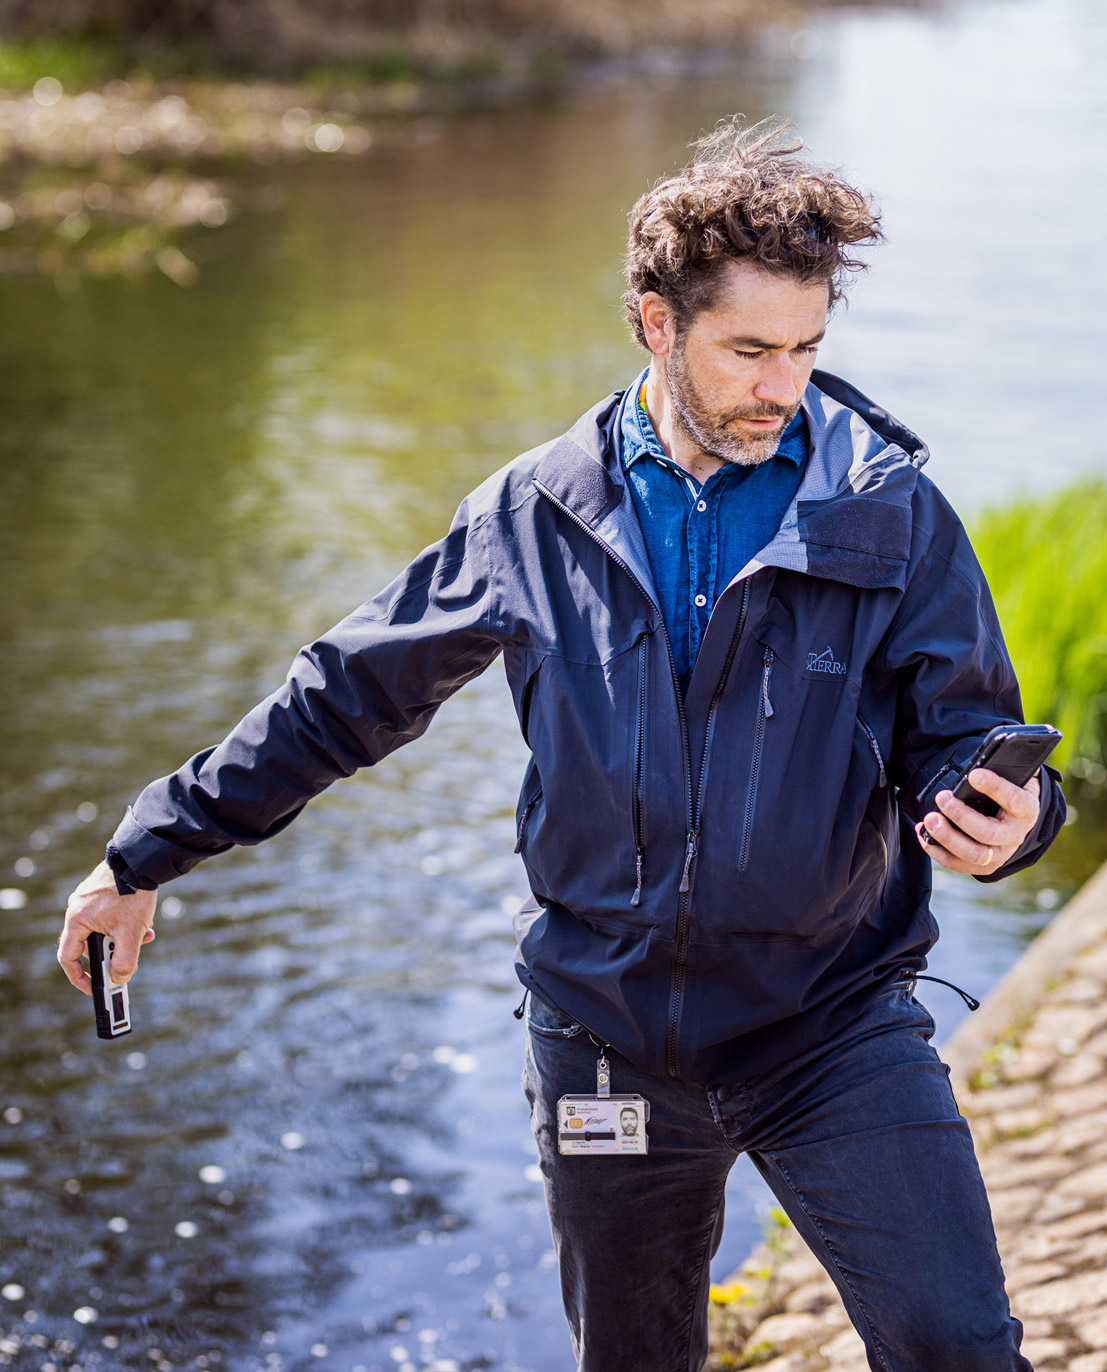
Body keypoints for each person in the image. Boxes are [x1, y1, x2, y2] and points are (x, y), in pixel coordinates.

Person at [59, 119, 1065, 1372]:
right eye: (749, 350)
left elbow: (966, 728)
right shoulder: (534, 512)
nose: (782, 387)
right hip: (607, 1039)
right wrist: (146, 851)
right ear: (656, 323)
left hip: (832, 1020)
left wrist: (1011, 817)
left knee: (960, 1343)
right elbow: (339, 701)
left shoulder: (888, 510)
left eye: (806, 350)